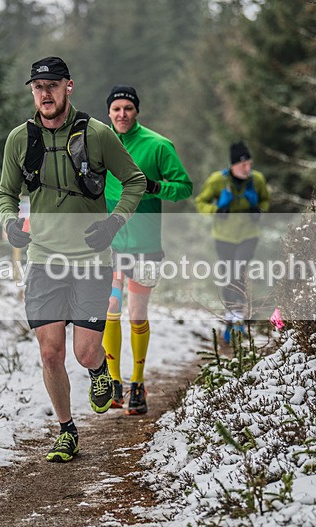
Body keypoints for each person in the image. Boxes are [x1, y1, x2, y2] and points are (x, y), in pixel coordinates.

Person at [0, 57, 146, 463]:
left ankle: (99, 371)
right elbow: (5, 194)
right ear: (32, 92)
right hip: (43, 258)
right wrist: (10, 222)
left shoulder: (97, 134)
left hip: (92, 260)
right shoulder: (20, 139)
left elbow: (135, 181)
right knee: (49, 353)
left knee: (84, 352)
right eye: (37, 87)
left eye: (52, 85)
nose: (45, 93)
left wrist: (114, 223)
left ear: (69, 87)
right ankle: (66, 430)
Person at [101, 85, 192, 415]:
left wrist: (155, 187)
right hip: (108, 244)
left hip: (146, 246)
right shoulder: (99, 143)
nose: (122, 114)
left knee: (136, 314)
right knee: (111, 308)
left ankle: (137, 383)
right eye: (116, 109)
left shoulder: (158, 145)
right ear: (108, 113)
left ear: (136, 110)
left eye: (127, 108)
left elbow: (184, 188)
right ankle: (113, 382)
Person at [195, 141, 269, 341]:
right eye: (243, 165)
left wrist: (259, 210)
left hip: (248, 234)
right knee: (228, 273)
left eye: (249, 164)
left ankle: (239, 318)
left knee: (238, 269)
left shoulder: (257, 180)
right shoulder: (217, 181)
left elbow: (265, 200)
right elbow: (201, 202)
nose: (247, 169)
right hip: (224, 236)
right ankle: (231, 319)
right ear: (233, 165)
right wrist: (216, 211)